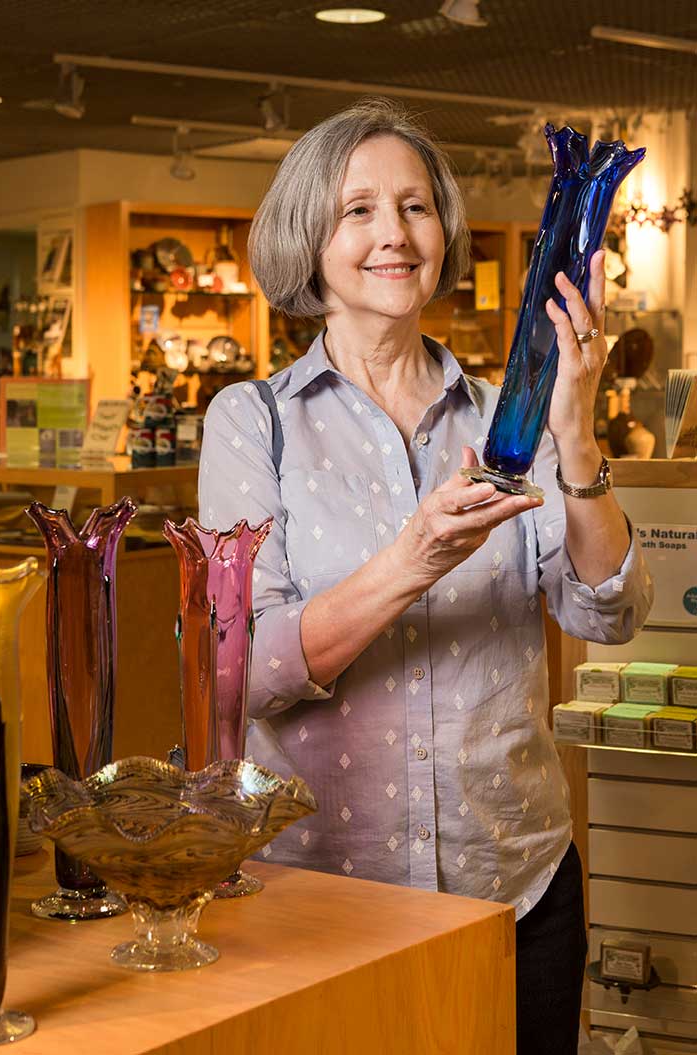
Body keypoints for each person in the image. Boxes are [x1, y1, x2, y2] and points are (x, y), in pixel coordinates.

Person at [198, 99, 652, 1055]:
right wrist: (414, 559)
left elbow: (607, 609)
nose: (394, 235)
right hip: (323, 896)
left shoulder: (503, 419)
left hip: (516, 885)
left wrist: (575, 432)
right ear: (308, 238)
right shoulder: (252, 423)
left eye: (414, 207)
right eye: (357, 210)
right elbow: (247, 672)